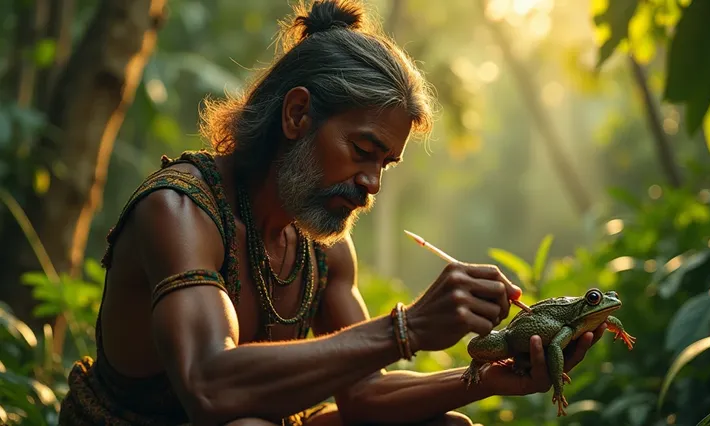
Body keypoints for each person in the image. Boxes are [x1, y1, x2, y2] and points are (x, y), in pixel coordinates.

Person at [58, 0, 604, 425]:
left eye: (386, 164)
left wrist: (488, 377)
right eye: (364, 152)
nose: (372, 183)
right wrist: (407, 327)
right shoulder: (179, 211)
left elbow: (363, 395)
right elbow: (209, 386)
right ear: (297, 114)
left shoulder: (323, 250)